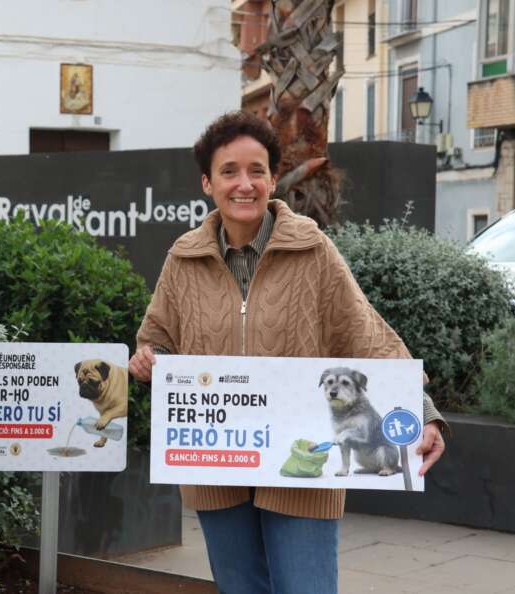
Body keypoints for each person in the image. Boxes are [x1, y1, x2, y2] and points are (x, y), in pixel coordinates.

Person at [128, 111, 447, 594]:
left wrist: (423, 412)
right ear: (207, 183)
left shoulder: (313, 250)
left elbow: (363, 333)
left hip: (304, 469)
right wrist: (148, 357)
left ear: (273, 180)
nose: (244, 184)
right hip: (216, 467)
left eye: (256, 171)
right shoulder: (183, 257)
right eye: (229, 171)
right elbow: (157, 338)